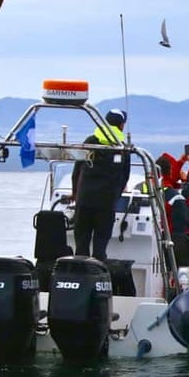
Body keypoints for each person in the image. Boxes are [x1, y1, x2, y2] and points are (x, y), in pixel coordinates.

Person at [71, 109, 131, 262]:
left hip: (84, 200)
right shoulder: (123, 146)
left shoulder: (90, 141)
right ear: (122, 125)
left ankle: (79, 274)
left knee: (81, 245)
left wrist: (75, 194)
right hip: (106, 203)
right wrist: (114, 197)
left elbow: (77, 171)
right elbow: (125, 177)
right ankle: (98, 274)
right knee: (100, 246)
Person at [155, 153, 189, 269]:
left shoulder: (144, 188)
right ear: (170, 171)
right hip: (173, 240)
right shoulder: (175, 196)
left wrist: (181, 163)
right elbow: (186, 217)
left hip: (156, 238)